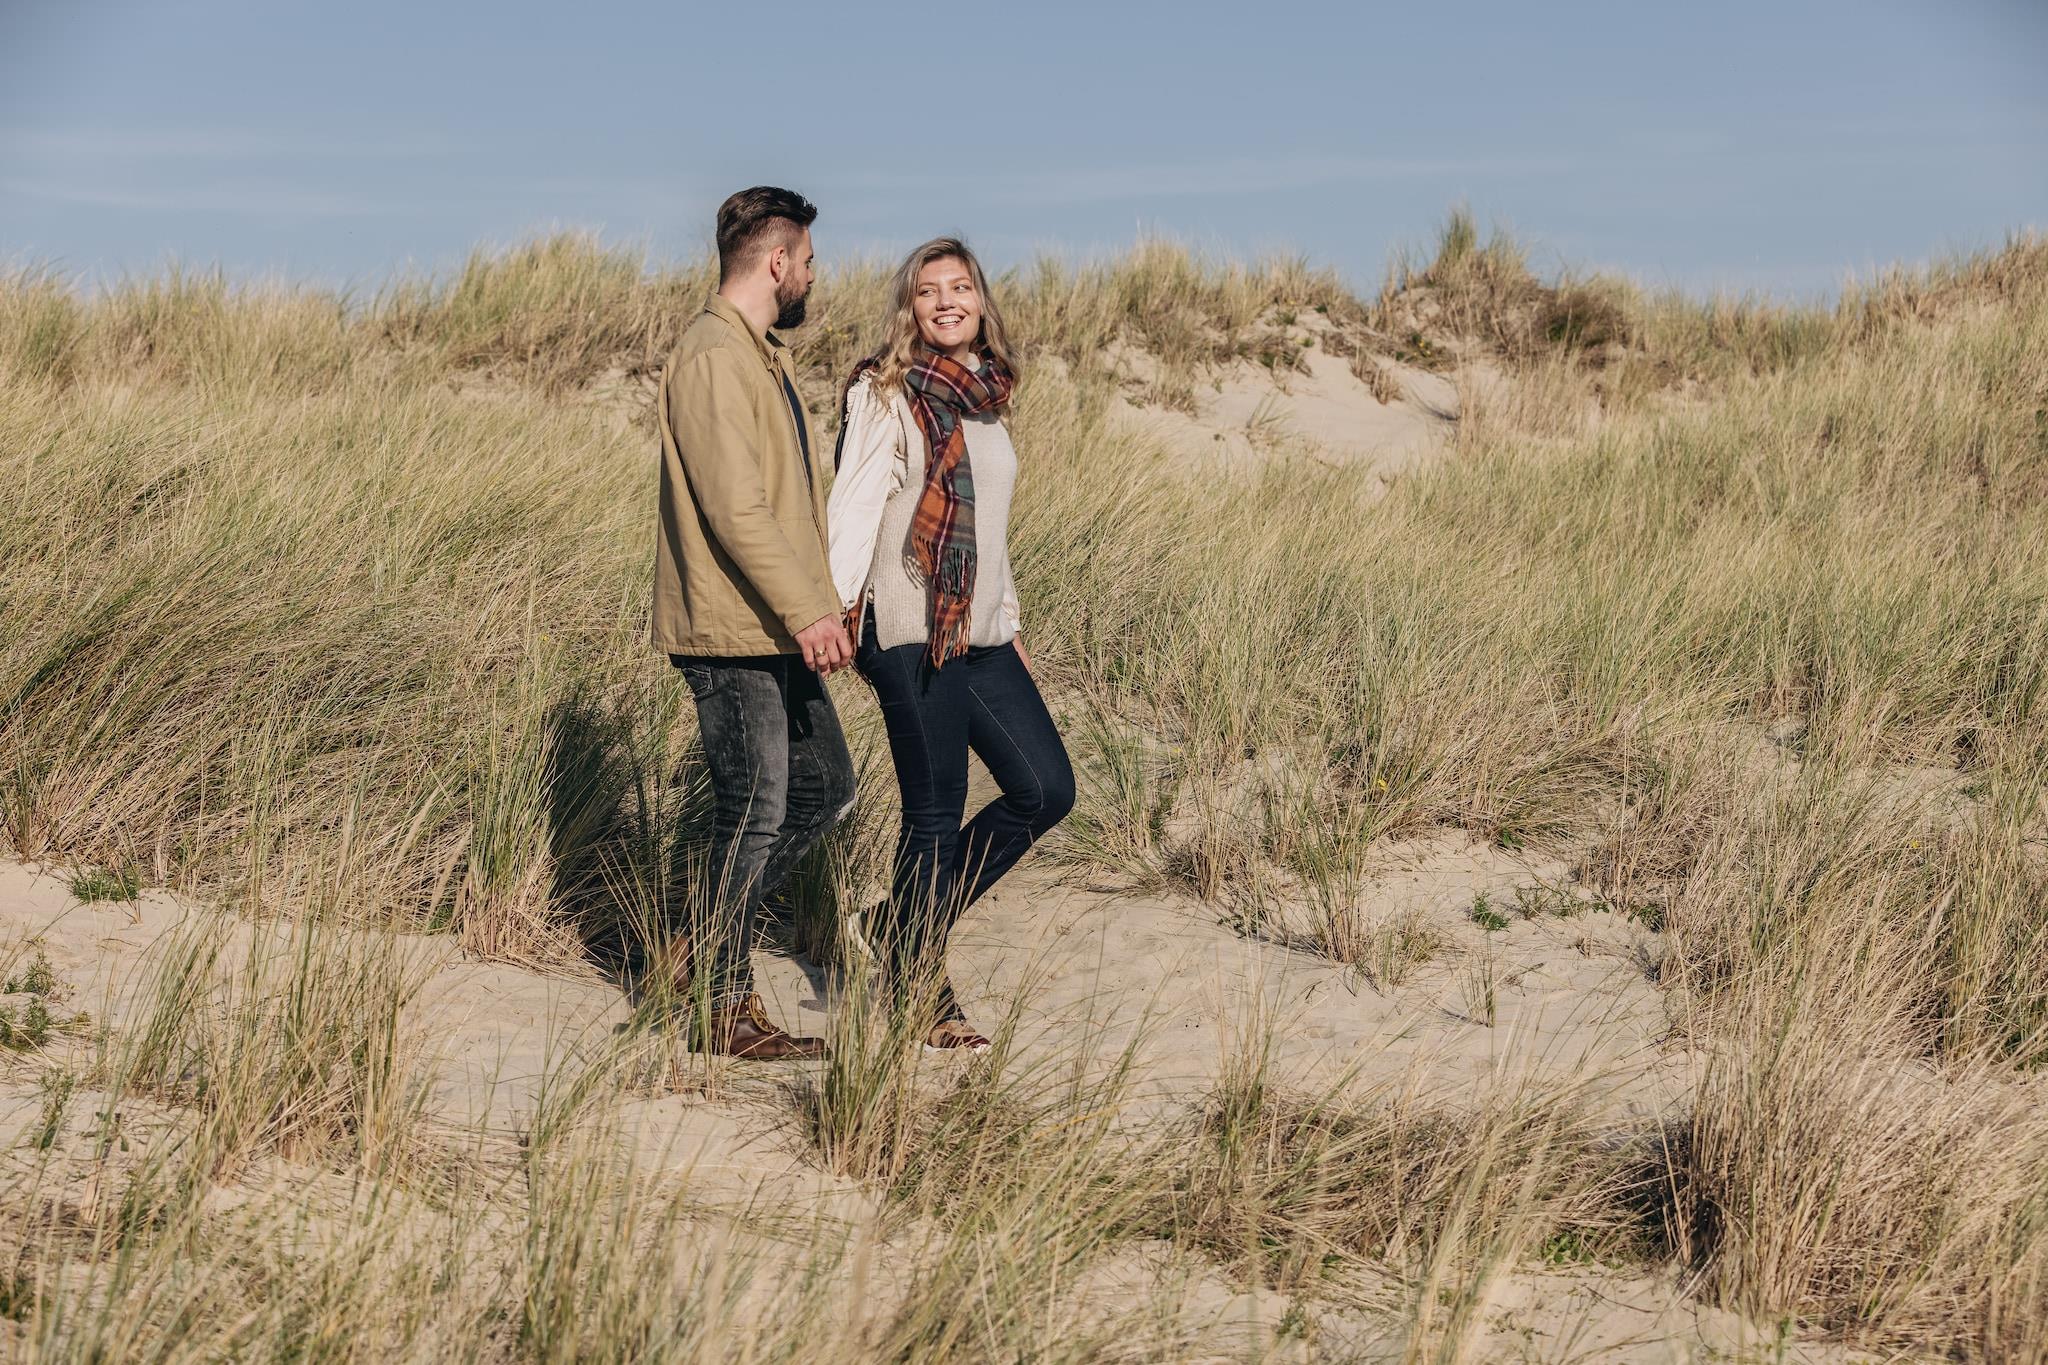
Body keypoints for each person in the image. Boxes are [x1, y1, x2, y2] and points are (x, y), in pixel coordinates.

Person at [826, 238, 1075, 1053]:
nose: (944, 301)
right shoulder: (883, 390)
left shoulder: (987, 398)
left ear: (980, 300)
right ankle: (920, 992)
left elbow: (989, 532)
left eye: (959, 287)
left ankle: (897, 922)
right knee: (934, 811)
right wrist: (835, 613)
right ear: (910, 305)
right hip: (907, 625)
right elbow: (854, 506)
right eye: (928, 290)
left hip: (980, 631)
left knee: (1045, 789)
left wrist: (1011, 622)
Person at [650, 186, 856, 1059]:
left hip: (774, 625)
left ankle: (697, 945)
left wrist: (820, 604)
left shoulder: (760, 356)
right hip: (731, 625)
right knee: (755, 805)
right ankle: (723, 1006)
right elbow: (735, 508)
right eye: (807, 260)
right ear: (777, 261)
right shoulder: (712, 356)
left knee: (823, 786)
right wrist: (807, 608)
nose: (812, 275)